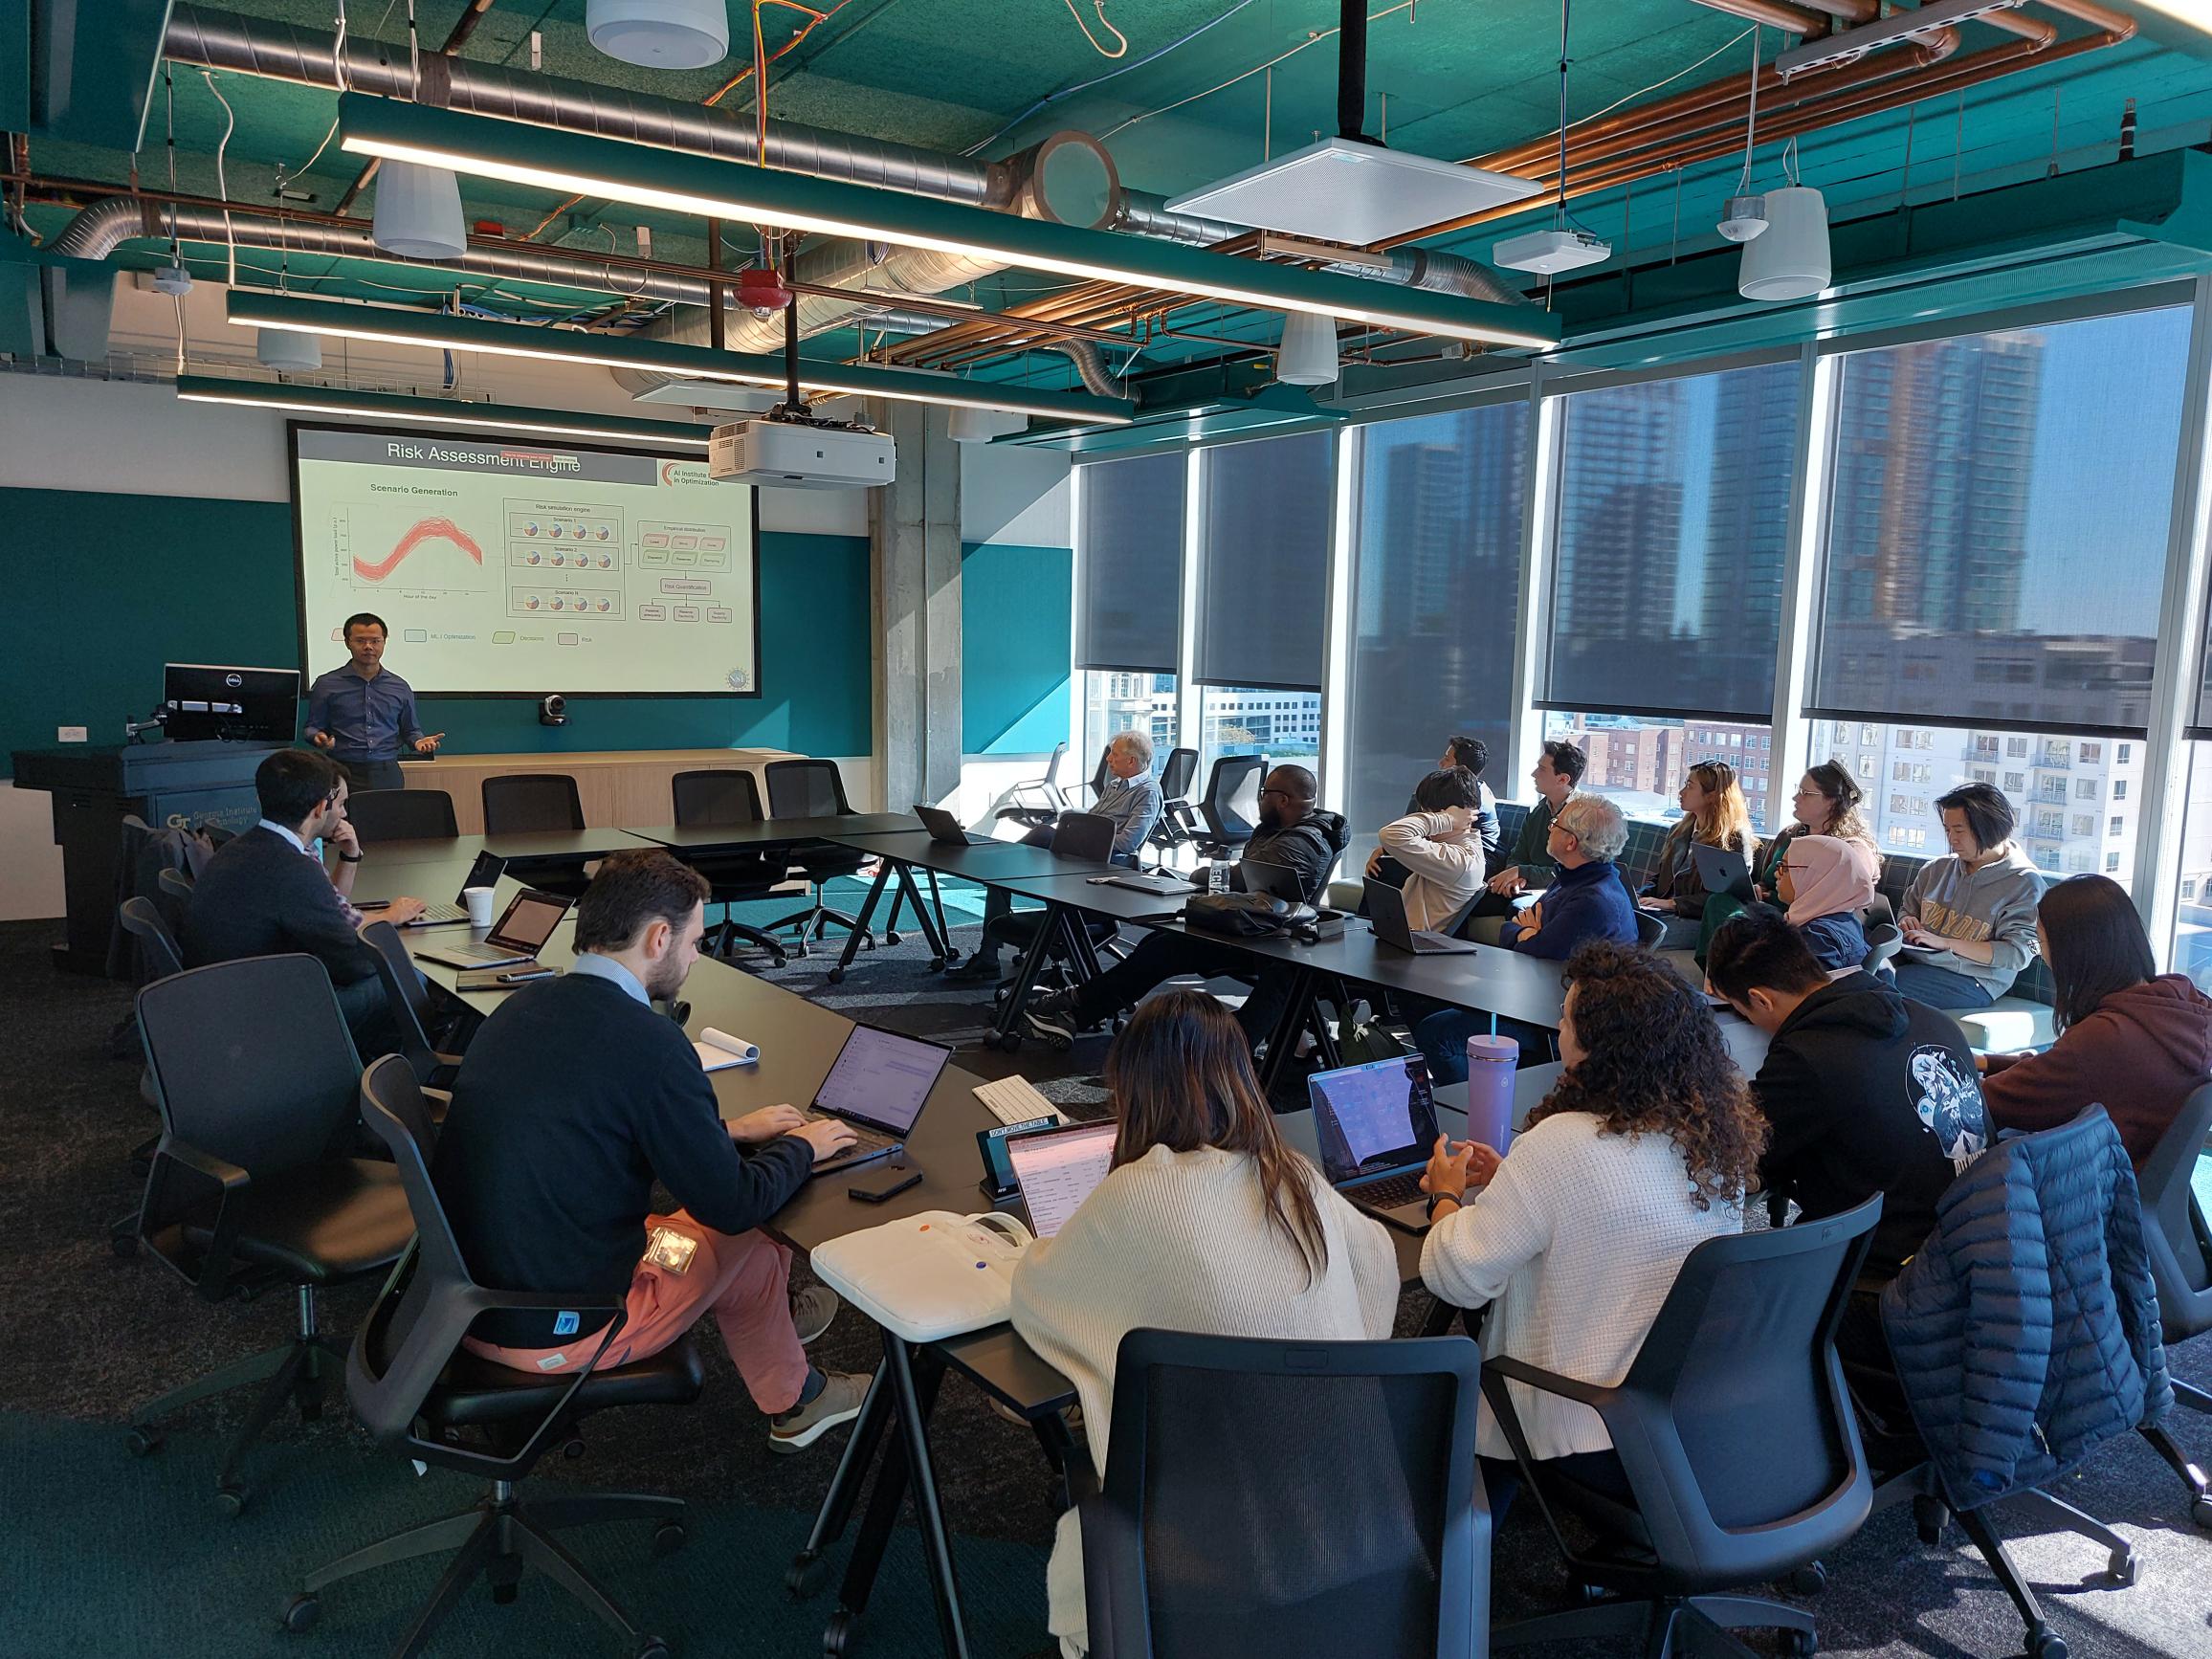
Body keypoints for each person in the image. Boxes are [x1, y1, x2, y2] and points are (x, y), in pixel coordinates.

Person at [431, 849, 871, 1452]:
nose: (696, 957)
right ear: (660, 938)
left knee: (720, 1238)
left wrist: (726, 1132)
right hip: (569, 1326)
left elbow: (586, 1118)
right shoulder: (654, 1044)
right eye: (695, 942)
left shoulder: (519, 1008)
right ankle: (797, 1390)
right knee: (754, 1226)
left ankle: (792, 1369)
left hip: (465, 1303)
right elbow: (734, 1204)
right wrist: (800, 1146)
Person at [1010, 990, 1400, 1658]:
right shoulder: (1293, 1178)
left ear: (1133, 1090)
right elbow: (1378, 1264)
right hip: (1360, 1531)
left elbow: (1037, 1294)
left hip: (1212, 1548)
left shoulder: (1135, 1192)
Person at [1417, 941, 1765, 1520]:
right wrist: (1517, 1187)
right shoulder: (1712, 1139)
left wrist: (1449, 1195)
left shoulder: (1563, 1144)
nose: (1557, 1028)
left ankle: (1463, 1547)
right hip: (1687, 1413)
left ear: (1598, 1047)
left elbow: (1454, 1278)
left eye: (1565, 1018)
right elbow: (1616, 1216)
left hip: (1584, 1424)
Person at [1706, 905, 1986, 1287]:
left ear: (1761, 1000)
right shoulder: (1930, 1017)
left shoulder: (1808, 1056)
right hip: (1979, 1244)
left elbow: (1742, 1153)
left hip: (1891, 1279)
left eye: (1742, 1011)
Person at [1023, 765, 1346, 1051]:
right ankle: (1079, 1008)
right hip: (1253, 926)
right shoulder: (1283, 831)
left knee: (1163, 950)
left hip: (1265, 941)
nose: (1259, 799)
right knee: (1157, 944)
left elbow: (1239, 880)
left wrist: (1201, 874)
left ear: (1283, 800)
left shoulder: (1300, 843)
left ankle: (1076, 1009)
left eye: (1264, 793)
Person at [183, 747, 425, 1050]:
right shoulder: (291, 868)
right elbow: (355, 964)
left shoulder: (240, 847)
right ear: (320, 808)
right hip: (264, 1021)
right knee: (412, 978)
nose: (344, 813)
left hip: (220, 1001)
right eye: (341, 804)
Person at [1980, 874, 2212, 1166]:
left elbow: (1991, 1102)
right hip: (2136, 1173)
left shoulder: (2105, 1038)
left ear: (2074, 951)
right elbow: (2068, 1071)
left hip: (2093, 1189)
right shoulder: (2181, 1003)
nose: (2044, 957)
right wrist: (1989, 1063)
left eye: (2041, 943)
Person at [1411, 794, 1640, 1084]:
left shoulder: (1592, 900)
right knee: (1421, 1002)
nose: (1549, 828)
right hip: (1532, 998)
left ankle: (1486, 1104)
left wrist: (1530, 935)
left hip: (1554, 1021)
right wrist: (1528, 932)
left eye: (1555, 824)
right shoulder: (1575, 878)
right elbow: (1515, 927)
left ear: (1571, 843)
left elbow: (1533, 949)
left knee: (1436, 1035)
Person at [955, 730, 1161, 981]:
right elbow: (1092, 820)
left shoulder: (1148, 792)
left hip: (1106, 865)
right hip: (1080, 855)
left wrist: (1084, 838)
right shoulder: (1115, 785)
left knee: (1041, 834)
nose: (1108, 759)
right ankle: (988, 954)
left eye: (1114, 755)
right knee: (1004, 876)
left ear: (1132, 761)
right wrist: (1076, 829)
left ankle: (995, 861)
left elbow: (1129, 842)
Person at [1696, 762, 1874, 964]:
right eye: (1798, 790)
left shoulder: (1849, 851)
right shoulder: (1790, 835)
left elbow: (1844, 899)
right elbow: (1767, 881)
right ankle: (1718, 974)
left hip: (1807, 923)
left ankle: (1734, 975)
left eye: (1806, 793)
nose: (1796, 798)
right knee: (1718, 902)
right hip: (1769, 910)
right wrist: (1759, 889)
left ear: (1831, 801)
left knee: (1736, 920)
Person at [1891, 782, 2042, 1009]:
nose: (1951, 839)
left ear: (1989, 828)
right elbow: (1907, 909)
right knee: (1849, 972)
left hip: (1974, 980)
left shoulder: (2024, 883)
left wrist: (1946, 943)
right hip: (1915, 960)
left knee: (1880, 988)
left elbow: (2015, 954)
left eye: (1959, 830)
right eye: (1947, 830)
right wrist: (1906, 921)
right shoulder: (1937, 869)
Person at [303, 612, 443, 791]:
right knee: (343, 819)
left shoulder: (400, 687)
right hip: (341, 771)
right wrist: (317, 737)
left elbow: (411, 730)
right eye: (360, 641)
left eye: (375, 641)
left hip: (387, 772)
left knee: (387, 819)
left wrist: (418, 742)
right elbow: (311, 727)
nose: (368, 647)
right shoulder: (327, 684)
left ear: (384, 642)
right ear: (347, 642)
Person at [1463, 740, 1583, 944]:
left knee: (1516, 908)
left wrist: (1522, 873)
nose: (1534, 774)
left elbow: (1569, 872)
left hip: (1556, 891)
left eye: (1542, 769)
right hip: (1527, 885)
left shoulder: (1581, 818)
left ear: (1562, 779)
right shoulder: (1539, 811)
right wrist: (1513, 875)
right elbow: (1518, 853)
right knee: (1470, 899)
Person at [1638, 761, 1757, 951]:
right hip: (1664, 911)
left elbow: (1727, 897)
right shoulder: (1679, 831)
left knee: (1642, 936)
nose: (1681, 792)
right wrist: (1641, 895)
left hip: (1698, 921)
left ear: (1711, 795)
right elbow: (1661, 878)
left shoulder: (1732, 840)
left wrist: (1673, 903)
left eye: (1689, 786)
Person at [1367, 736, 1501, 891]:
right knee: (1384, 864)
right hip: (1447, 849)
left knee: (1388, 869)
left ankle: (1378, 915)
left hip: (1479, 861)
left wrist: (1390, 847)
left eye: (1446, 759)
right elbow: (1413, 826)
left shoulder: (1471, 799)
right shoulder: (1448, 791)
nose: (1440, 763)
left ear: (1461, 768)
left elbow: (1421, 831)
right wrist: (1386, 849)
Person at [1371, 766, 1489, 932]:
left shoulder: (1462, 861)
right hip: (1401, 938)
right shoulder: (1453, 847)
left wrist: (1446, 819)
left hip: (1416, 946)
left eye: (1427, 812)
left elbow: (1390, 833)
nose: (1423, 815)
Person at [1775, 833, 1879, 974]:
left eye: (1785, 868)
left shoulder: (1818, 939)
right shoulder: (1845, 920)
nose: (1777, 874)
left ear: (1818, 878)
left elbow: (1790, 991)